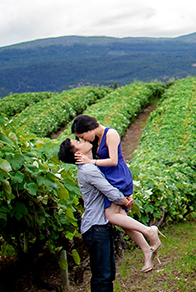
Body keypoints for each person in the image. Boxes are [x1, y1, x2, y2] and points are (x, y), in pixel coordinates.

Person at [71, 115, 162, 272]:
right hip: (110, 179)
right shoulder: (94, 140)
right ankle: (147, 252)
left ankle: (149, 231)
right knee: (123, 221)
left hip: (118, 177)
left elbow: (113, 160)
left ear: (88, 129)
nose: (83, 140)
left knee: (111, 216)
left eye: (82, 136)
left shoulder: (110, 133)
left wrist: (90, 162)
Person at [58, 136, 133, 292]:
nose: (83, 140)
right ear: (77, 153)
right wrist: (125, 201)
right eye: (78, 142)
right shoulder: (88, 169)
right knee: (102, 276)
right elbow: (110, 191)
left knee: (107, 274)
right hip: (96, 227)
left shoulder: (91, 166)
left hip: (99, 227)